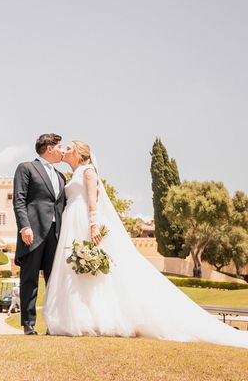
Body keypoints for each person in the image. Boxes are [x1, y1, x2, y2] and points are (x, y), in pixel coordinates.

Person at [43, 141, 248, 349]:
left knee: (92, 273)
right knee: (75, 272)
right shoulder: (73, 174)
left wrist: (94, 225)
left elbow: (92, 200)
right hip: (71, 222)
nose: (64, 151)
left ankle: (98, 318)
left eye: (68, 148)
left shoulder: (88, 172)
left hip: (84, 222)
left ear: (78, 153)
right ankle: (79, 316)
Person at [13, 133, 67, 335]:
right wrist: (24, 226)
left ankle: (53, 324)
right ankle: (29, 325)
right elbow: (19, 200)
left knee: (54, 280)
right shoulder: (26, 168)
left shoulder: (62, 177)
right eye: (60, 146)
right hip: (32, 232)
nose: (63, 151)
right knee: (30, 279)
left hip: (56, 233)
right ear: (49, 148)